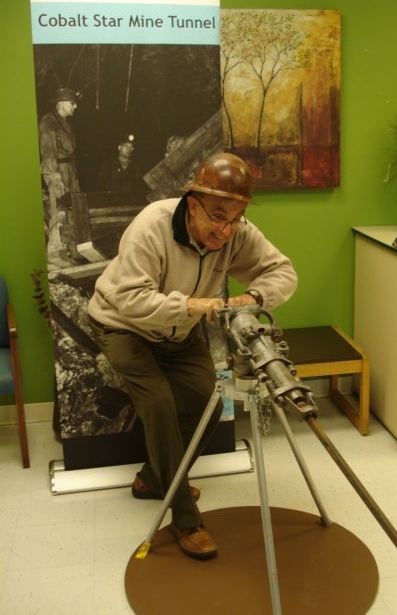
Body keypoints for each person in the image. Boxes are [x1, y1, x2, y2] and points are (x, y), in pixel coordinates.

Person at [87, 152, 297, 560]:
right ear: (193, 204)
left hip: (179, 333)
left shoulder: (235, 231)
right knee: (160, 405)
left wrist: (253, 297)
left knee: (207, 405)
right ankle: (185, 518)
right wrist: (194, 306)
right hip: (122, 325)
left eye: (235, 218)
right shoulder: (152, 224)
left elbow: (283, 272)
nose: (226, 230)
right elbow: (130, 298)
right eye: (218, 217)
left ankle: (154, 478)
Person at [38, 87, 81, 268]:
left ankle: (66, 249)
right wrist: (54, 178)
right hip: (58, 170)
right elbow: (48, 152)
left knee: (71, 210)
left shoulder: (65, 122)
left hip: (69, 170)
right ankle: (54, 252)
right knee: (59, 208)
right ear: (61, 104)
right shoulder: (49, 121)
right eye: (72, 103)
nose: (75, 106)